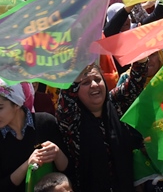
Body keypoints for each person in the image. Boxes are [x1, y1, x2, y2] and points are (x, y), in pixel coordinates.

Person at [57, 60, 148, 192]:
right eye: (86, 82)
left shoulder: (115, 103)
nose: (94, 85)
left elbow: (135, 84)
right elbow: (66, 100)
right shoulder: (71, 119)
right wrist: (74, 76)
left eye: (97, 79)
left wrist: (141, 59)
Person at [0, 75, 67, 192]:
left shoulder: (46, 123)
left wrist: (57, 152)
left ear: (17, 104)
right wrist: (28, 164)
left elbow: (67, 171)